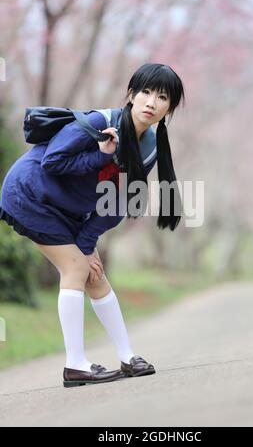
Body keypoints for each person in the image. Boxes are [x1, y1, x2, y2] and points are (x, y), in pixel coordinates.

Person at [0, 63, 185, 388]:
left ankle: (128, 357)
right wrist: (102, 155)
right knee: (76, 269)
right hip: (29, 193)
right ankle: (76, 365)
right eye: (144, 92)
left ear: (169, 109)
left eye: (162, 97)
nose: (151, 102)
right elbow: (52, 161)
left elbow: (118, 203)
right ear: (130, 94)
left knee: (94, 274)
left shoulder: (150, 148)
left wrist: (87, 243)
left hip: (67, 209)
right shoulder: (102, 122)